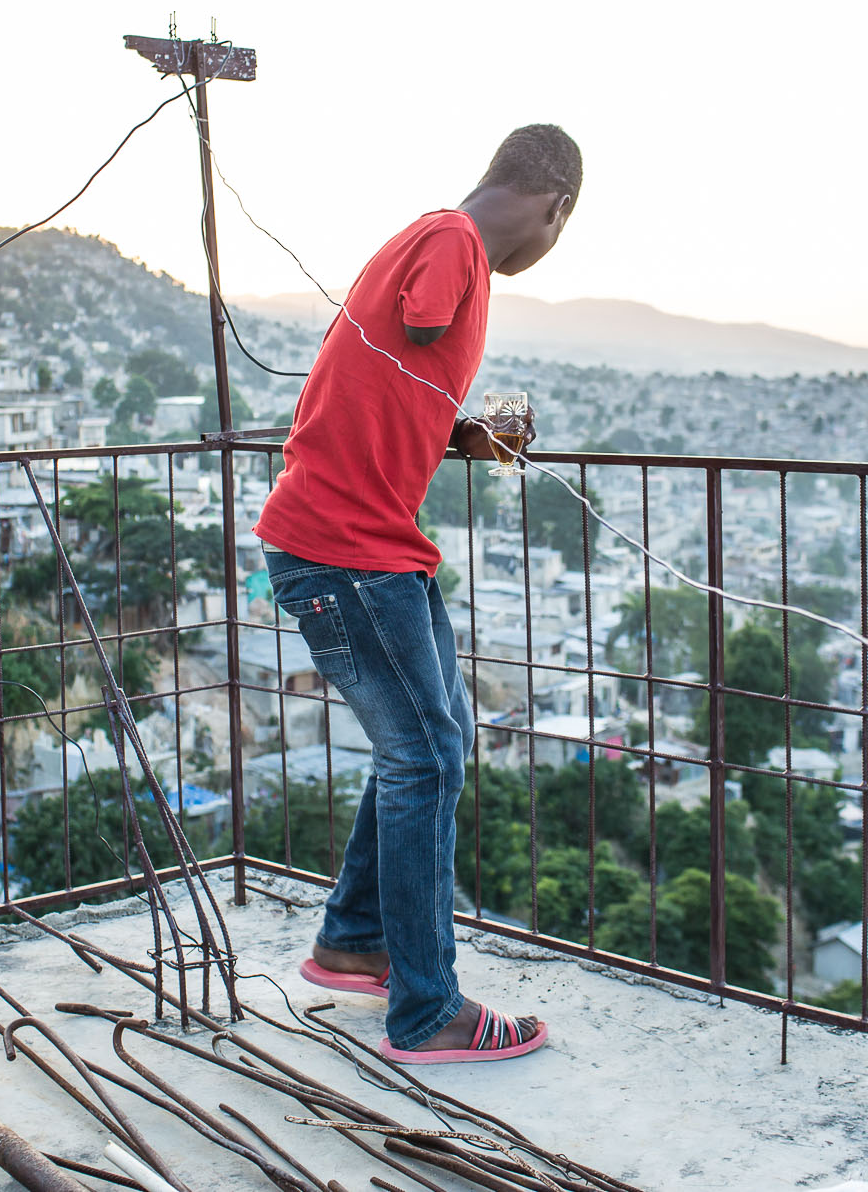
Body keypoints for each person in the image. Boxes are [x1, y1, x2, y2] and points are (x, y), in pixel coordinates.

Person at [254, 124, 582, 1064]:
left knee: (436, 742)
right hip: (344, 550)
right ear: (554, 208)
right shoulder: (453, 244)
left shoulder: (428, 240)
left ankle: (352, 941)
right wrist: (456, 367)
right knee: (426, 759)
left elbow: (388, 384)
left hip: (366, 546)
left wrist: (464, 434)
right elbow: (427, 320)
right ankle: (426, 1008)